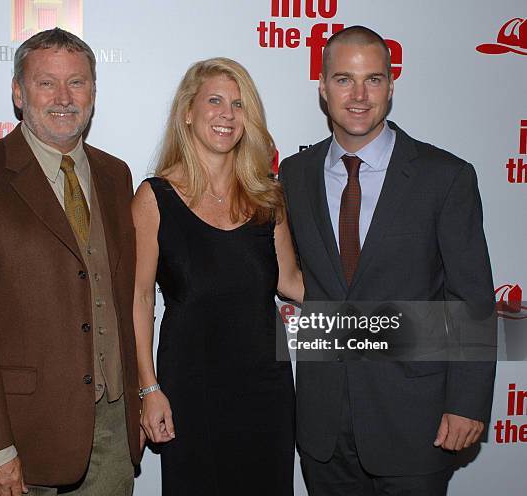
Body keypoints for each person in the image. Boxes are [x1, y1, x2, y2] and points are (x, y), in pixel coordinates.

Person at [279, 25, 496, 495]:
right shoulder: (294, 175)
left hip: (416, 420)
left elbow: (472, 298)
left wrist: (467, 403)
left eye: (373, 79)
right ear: (322, 87)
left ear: (391, 86)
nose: (359, 95)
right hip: (322, 424)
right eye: (344, 79)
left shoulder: (446, 177)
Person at [0, 28, 143, 496]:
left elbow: (121, 297)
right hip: (22, 437)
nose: (64, 97)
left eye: (77, 83)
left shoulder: (114, 174)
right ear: (18, 92)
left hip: (113, 427)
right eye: (47, 82)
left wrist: (138, 405)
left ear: (94, 92)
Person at [132, 57, 303, 495]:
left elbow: (290, 281)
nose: (228, 113)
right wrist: (147, 388)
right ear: (188, 111)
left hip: (267, 390)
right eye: (215, 100)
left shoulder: (268, 197)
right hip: (192, 389)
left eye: (239, 104)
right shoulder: (154, 198)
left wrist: (381, 314)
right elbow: (139, 299)